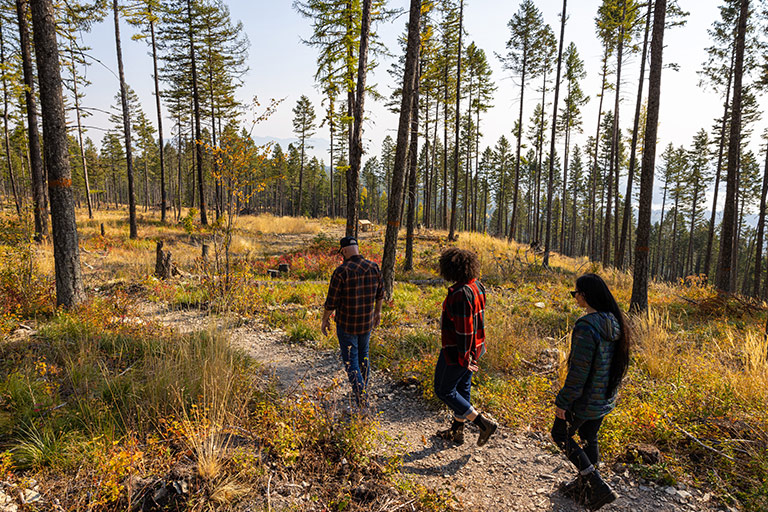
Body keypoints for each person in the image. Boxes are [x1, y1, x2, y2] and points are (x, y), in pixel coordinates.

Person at [552, 273, 631, 510]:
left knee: (560, 435)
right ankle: (584, 487)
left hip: (585, 399)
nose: (574, 297)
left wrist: (563, 402)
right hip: (605, 396)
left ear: (584, 296)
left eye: (575, 293)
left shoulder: (586, 326)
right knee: (589, 436)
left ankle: (596, 485)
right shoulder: (615, 321)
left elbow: (578, 371)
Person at [434, 247, 497, 447]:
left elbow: (465, 330)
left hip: (458, 351)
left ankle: (483, 423)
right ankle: (457, 431)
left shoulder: (459, 294)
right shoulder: (477, 286)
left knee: (444, 390)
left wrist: (464, 358)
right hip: (475, 348)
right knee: (463, 388)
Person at [321, 236, 384, 410]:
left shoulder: (342, 271)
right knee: (364, 355)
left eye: (342, 252)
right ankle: (362, 388)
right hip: (366, 323)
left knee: (351, 362)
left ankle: (362, 399)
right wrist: (377, 312)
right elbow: (381, 293)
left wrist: (325, 319)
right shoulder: (373, 267)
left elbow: (331, 301)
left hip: (347, 325)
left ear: (345, 251)